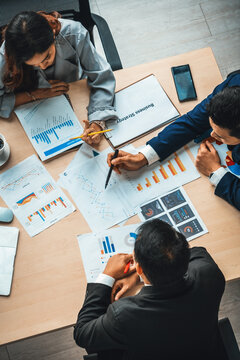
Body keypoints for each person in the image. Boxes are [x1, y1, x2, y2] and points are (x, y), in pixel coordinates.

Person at [74, 219, 227, 360]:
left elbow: (82, 333)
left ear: (138, 267)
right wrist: (138, 276)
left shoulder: (123, 314)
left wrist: (108, 275)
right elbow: (196, 252)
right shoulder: (209, 274)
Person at [107, 74, 240, 210]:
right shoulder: (233, 85)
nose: (212, 135)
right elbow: (193, 121)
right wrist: (143, 157)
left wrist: (215, 171)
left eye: (221, 137)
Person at [0, 11, 118, 145]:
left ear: (53, 35)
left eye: (47, 57)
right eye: (34, 65)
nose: (43, 67)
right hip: (30, 116)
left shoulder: (74, 33)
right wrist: (34, 95)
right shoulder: (6, 58)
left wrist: (97, 122)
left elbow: (102, 77)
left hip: (76, 97)